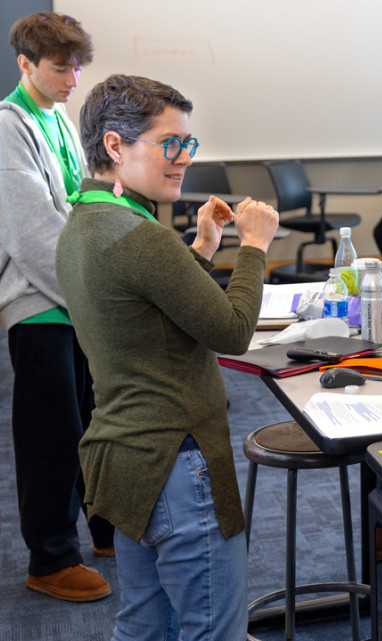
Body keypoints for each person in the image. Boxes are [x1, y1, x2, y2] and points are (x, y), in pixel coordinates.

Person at [56, 74, 279, 639]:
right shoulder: (142, 236)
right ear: (114, 145)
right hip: (179, 464)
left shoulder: (83, 223)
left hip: (126, 455)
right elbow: (230, 330)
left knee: (145, 626)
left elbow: (152, 317)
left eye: (188, 143)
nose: (183, 159)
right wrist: (253, 248)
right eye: (169, 144)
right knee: (213, 630)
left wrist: (202, 248)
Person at [0, 11, 113, 602]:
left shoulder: (58, 115)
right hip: (41, 305)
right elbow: (35, 237)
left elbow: (78, 204)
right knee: (53, 436)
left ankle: (103, 528)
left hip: (74, 300)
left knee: (93, 423)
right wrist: (96, 295)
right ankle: (49, 560)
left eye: (77, 66)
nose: (73, 79)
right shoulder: (5, 129)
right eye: (60, 67)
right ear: (25, 64)